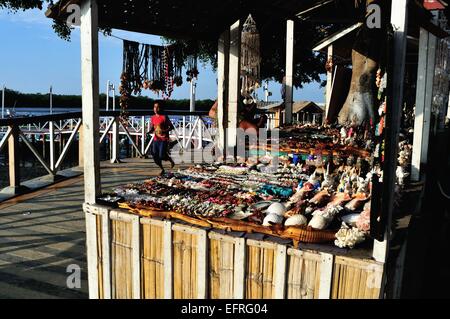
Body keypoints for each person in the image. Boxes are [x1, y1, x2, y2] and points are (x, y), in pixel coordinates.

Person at [149, 101, 175, 175]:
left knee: (161, 156)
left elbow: (171, 127)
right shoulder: (153, 117)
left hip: (164, 139)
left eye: (157, 107)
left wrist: (164, 130)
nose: (156, 109)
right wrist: (149, 131)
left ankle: (170, 160)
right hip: (156, 139)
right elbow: (153, 128)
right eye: (154, 107)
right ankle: (162, 169)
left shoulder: (164, 117)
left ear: (160, 108)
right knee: (155, 155)